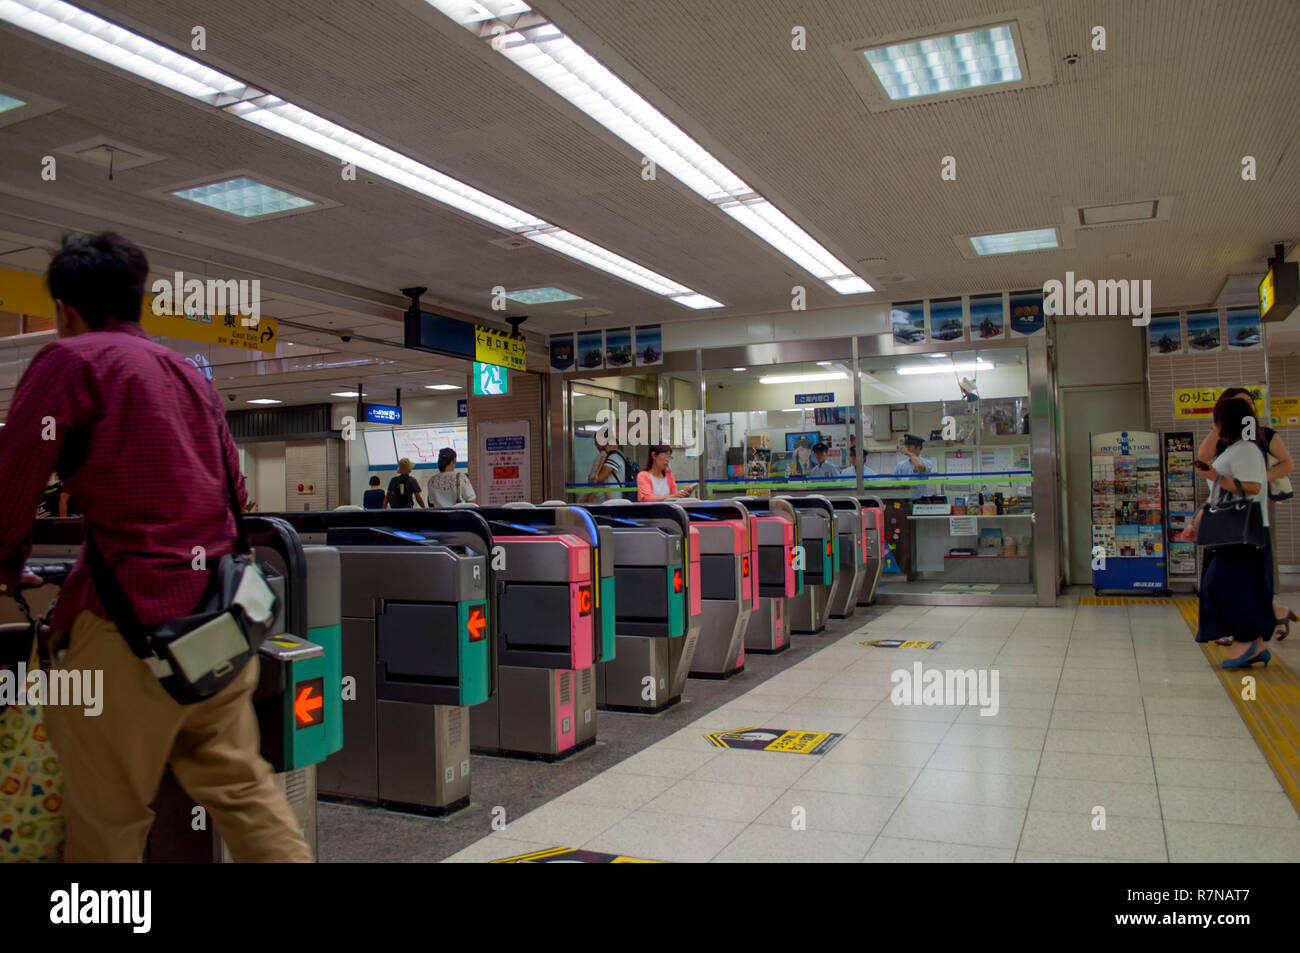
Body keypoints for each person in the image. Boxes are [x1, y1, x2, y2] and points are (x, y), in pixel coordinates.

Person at [0, 232, 311, 861]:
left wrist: (7, 567)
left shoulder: (71, 361)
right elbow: (237, 493)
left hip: (122, 634)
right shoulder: (186, 375)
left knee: (106, 822)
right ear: (138, 300)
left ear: (64, 309)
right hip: (215, 632)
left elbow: (11, 484)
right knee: (245, 792)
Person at [1192, 388, 1296, 641]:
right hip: (1226, 515)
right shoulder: (1227, 441)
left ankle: (1252, 632)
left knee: (1246, 580)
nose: (1244, 409)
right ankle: (1267, 619)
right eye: (1236, 405)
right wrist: (1218, 427)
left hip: (1250, 514)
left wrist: (1258, 477)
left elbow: (1287, 464)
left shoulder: (1262, 437)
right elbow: (1202, 458)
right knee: (1236, 581)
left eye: (1247, 403)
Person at [1195, 395, 1273, 667]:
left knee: (1223, 585)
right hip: (1228, 532)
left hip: (1244, 532)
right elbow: (1207, 466)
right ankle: (1249, 641)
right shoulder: (1234, 449)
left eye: (1216, 419)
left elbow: (1252, 487)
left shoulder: (1247, 450)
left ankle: (1251, 639)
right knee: (1217, 586)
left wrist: (1216, 477)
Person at [893, 434, 936, 500]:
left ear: (918, 447)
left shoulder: (927, 462)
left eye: (909, 446)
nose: (907, 448)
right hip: (904, 500)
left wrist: (911, 455)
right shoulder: (900, 465)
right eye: (906, 446)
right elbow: (894, 483)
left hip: (921, 500)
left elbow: (920, 466)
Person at [587, 436, 628, 502]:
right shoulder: (611, 456)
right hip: (610, 498)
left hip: (613, 499)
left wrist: (595, 477)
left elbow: (601, 477)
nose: (612, 446)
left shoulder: (614, 456)